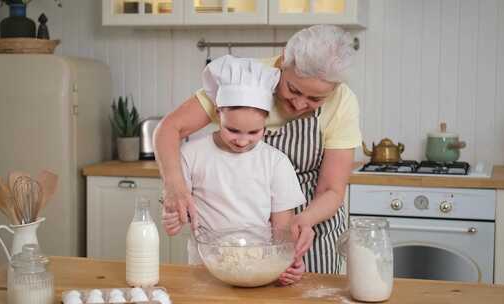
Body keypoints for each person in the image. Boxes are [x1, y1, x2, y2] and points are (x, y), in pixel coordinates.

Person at [154, 24, 361, 274]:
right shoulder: (245, 79)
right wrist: (175, 186)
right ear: (283, 61)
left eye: (315, 100)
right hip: (239, 234)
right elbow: (169, 128)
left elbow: (331, 189)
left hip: (310, 221)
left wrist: (302, 220)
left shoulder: (342, 102)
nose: (298, 104)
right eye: (293, 89)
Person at [161, 55, 310, 285]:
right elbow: (181, 205)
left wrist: (289, 262)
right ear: (218, 112)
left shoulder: (276, 163)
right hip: (205, 268)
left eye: (253, 133)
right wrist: (173, 217)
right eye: (232, 130)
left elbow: (283, 230)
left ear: (266, 123)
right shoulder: (192, 155)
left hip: (258, 269)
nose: (242, 141)